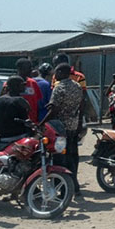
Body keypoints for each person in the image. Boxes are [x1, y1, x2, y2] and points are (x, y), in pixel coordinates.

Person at [41, 63, 84, 196]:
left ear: (61, 72)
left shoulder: (59, 88)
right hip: (73, 125)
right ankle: (74, 185)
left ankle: (63, 187)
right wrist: (79, 122)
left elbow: (54, 109)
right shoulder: (77, 86)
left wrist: (42, 123)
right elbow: (82, 105)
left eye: (57, 72)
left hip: (60, 128)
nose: (55, 74)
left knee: (60, 158)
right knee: (73, 155)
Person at [2, 58, 43, 123]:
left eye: (31, 67)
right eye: (28, 68)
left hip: (32, 122)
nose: (31, 70)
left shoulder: (33, 83)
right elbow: (2, 102)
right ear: (19, 69)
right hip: (14, 123)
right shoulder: (9, 84)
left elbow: (38, 104)